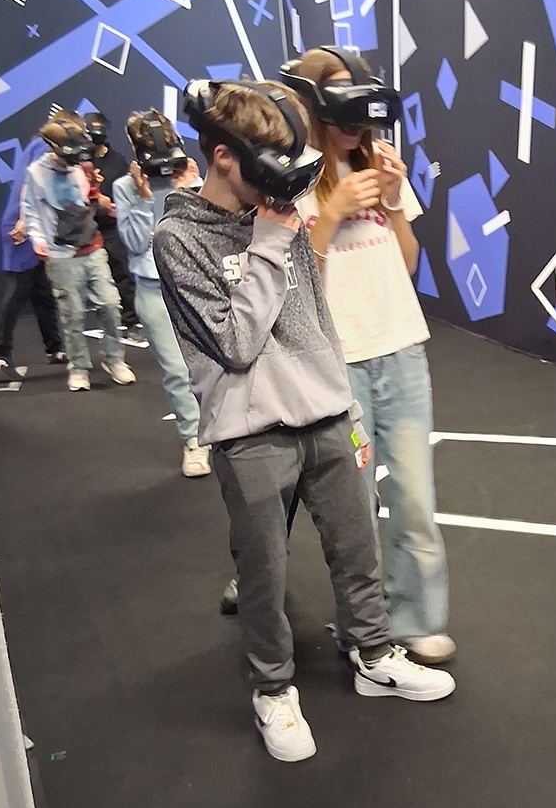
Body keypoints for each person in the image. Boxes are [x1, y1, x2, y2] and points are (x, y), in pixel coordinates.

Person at [153, 78, 455, 764]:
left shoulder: (280, 212)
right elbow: (235, 343)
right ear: (223, 156)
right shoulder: (179, 238)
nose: (285, 177)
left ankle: (374, 655)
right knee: (264, 571)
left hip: (328, 415)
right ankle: (272, 690)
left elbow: (313, 315)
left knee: (358, 547)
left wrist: (345, 403)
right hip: (249, 434)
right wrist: (269, 239)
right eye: (269, 160)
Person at [284, 46, 454, 666]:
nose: (357, 127)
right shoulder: (289, 178)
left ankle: (418, 618)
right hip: (339, 363)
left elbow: (407, 263)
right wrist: (330, 212)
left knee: (415, 499)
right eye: (343, 109)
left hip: (402, 350)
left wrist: (394, 200)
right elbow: (295, 284)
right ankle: (366, 629)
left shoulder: (378, 165)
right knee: (355, 510)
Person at [113, 109, 212, 479]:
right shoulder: (125, 188)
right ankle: (194, 441)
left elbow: (205, 236)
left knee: (216, 367)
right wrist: (143, 200)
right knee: (177, 371)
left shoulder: (192, 180)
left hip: (197, 287)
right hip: (154, 290)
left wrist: (187, 191)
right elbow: (136, 243)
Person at [22, 111, 136, 393]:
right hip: (60, 255)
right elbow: (31, 210)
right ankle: (79, 368)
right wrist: (37, 239)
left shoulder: (83, 168)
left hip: (93, 247)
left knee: (110, 304)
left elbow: (91, 198)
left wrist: (103, 202)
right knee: (72, 314)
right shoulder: (36, 173)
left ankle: (114, 359)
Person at [0, 137, 66, 381]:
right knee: (18, 290)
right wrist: (23, 222)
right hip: (22, 227)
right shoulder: (44, 148)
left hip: (32, 225)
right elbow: (29, 186)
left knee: (42, 290)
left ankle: (55, 347)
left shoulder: (42, 145)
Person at [81, 110, 138, 329]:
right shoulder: (80, 162)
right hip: (86, 225)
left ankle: (130, 320)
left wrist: (109, 204)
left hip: (111, 226)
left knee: (122, 271)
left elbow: (125, 193)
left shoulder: (118, 160)